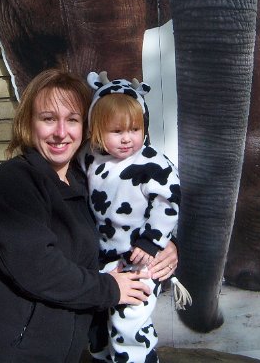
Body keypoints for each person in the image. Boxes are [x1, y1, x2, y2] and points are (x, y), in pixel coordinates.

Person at [0, 68, 178, 363]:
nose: (61, 132)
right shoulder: (14, 181)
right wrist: (110, 289)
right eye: (48, 119)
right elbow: (38, 268)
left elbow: (120, 224)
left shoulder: (87, 181)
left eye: (73, 120)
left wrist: (164, 244)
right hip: (3, 352)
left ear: (87, 126)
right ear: (28, 122)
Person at [82, 71, 183, 363]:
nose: (127, 138)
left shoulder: (153, 164)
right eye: (116, 131)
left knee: (129, 321)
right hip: (101, 258)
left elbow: (168, 204)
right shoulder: (89, 158)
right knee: (98, 326)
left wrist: (152, 242)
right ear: (96, 130)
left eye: (135, 129)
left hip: (139, 259)